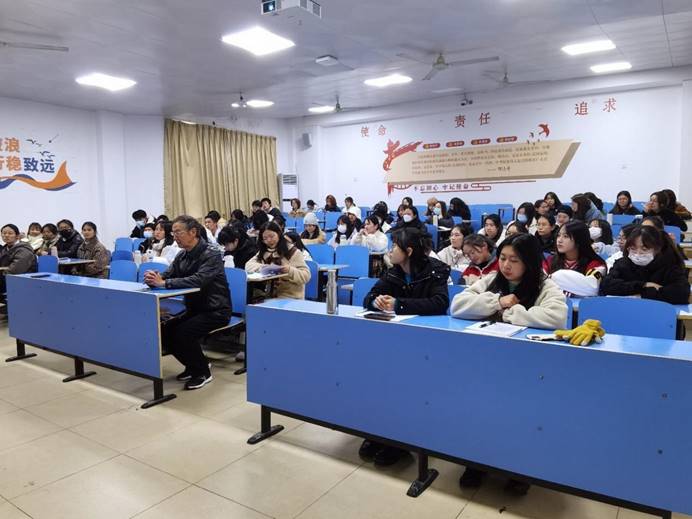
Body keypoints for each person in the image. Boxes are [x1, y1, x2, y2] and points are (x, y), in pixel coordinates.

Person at [451, 233, 567, 495]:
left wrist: (513, 313)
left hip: (527, 367)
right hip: (488, 362)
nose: (506, 265)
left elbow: (557, 317)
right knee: (481, 411)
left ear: (529, 262)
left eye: (514, 260)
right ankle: (476, 463)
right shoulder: (493, 280)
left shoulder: (544, 285)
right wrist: (496, 301)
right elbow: (458, 305)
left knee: (520, 417)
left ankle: (518, 470)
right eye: (503, 258)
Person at [359, 227, 450, 466]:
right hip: (395, 341)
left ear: (408, 251)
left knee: (406, 388)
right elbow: (368, 297)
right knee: (380, 382)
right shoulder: (394, 272)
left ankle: (401, 442)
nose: (390, 251)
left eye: (394, 247)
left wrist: (399, 304)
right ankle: (379, 433)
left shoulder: (435, 270)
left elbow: (439, 303)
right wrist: (377, 301)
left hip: (426, 342)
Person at [143, 215, 232, 390]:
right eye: (173, 233)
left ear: (193, 232)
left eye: (178, 232)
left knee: (184, 333)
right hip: (194, 309)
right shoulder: (182, 255)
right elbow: (168, 274)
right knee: (165, 330)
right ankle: (194, 365)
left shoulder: (211, 254)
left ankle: (203, 372)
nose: (175, 236)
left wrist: (164, 283)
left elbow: (199, 280)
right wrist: (155, 278)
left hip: (216, 310)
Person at [600, 225, 690, 304]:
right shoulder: (622, 263)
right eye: (633, 248)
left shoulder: (669, 266)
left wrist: (641, 295)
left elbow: (681, 293)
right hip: (627, 310)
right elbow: (606, 285)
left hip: (658, 313)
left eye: (644, 249)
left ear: (657, 249)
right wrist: (643, 285)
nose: (638, 253)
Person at [245, 221, 311, 299]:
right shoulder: (264, 252)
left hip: (291, 297)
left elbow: (306, 275)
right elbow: (248, 265)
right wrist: (265, 267)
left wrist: (289, 270)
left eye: (272, 236)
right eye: (265, 238)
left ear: (279, 234)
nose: (269, 240)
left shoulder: (292, 252)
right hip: (269, 297)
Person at [544, 221, 607, 297]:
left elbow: (591, 287)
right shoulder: (550, 260)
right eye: (558, 235)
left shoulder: (597, 265)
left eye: (565, 236)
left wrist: (555, 277)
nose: (559, 240)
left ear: (579, 240)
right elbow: (540, 282)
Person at [0, 224, 38, 296]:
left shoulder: (24, 249)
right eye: (4, 233)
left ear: (17, 236)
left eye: (10, 233)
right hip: (8, 278)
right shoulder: (5, 249)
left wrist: (2, 272)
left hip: (24, 280)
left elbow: (16, 270)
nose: (6, 235)